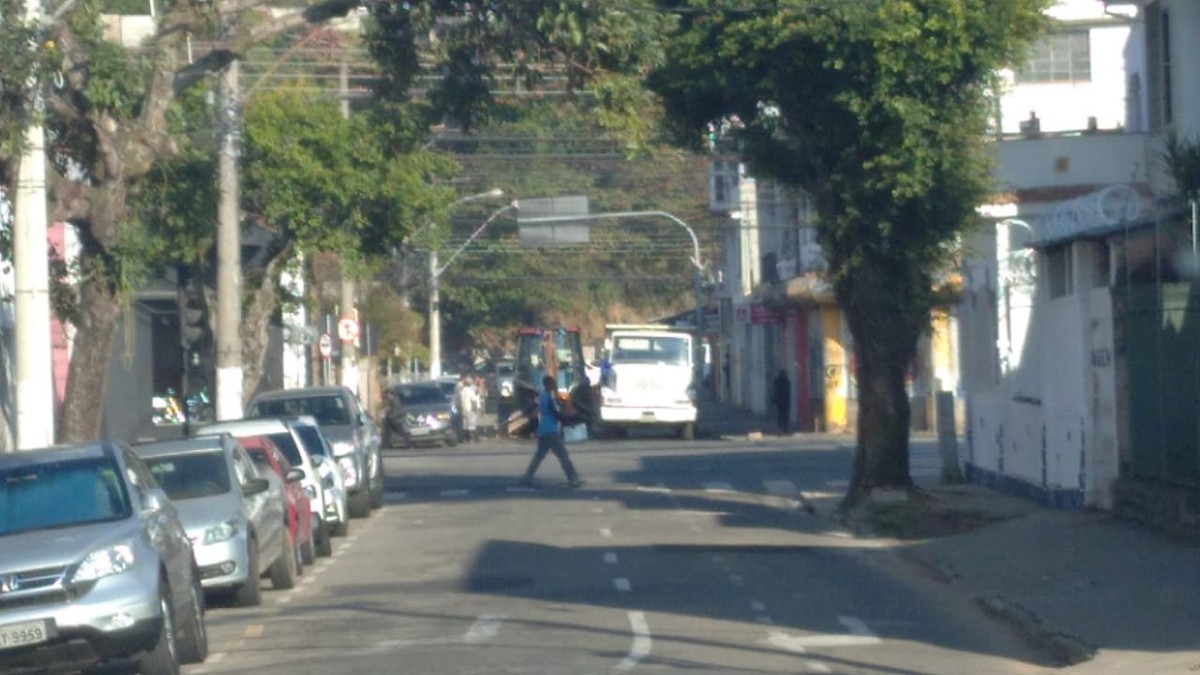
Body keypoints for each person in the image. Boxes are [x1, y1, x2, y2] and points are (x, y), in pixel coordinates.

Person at [518, 375, 584, 488]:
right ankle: (573, 478)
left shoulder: (543, 396)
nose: (554, 386)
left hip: (543, 430)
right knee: (563, 457)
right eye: (552, 384)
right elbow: (555, 413)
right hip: (551, 431)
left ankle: (527, 478)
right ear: (548, 385)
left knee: (538, 457)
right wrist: (567, 421)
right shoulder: (548, 398)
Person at [456, 374, 481, 443]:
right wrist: (477, 394)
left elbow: (458, 400)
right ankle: (471, 438)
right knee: (471, 424)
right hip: (469, 409)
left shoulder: (462, 391)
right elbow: (474, 399)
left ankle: (465, 438)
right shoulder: (469, 390)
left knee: (465, 424)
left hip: (463, 409)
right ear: (470, 384)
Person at [771, 369, 791, 435]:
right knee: (785, 416)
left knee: (780, 416)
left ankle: (780, 429)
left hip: (779, 402)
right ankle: (785, 429)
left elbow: (775, 391)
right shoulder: (786, 381)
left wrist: (774, 400)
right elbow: (788, 392)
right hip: (785, 401)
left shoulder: (777, 381)